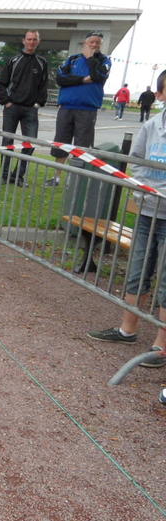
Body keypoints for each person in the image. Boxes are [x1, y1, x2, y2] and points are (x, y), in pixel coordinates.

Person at [86, 69, 166, 370]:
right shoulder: (151, 126)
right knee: (138, 270)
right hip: (148, 210)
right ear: (159, 95)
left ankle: (161, 347)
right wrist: (153, 191)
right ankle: (127, 329)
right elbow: (137, 163)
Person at [46, 32, 111, 186]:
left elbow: (98, 76)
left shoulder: (104, 60)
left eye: (97, 43)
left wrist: (90, 59)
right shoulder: (72, 59)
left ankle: (74, 180)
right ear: (85, 43)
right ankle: (56, 177)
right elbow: (61, 79)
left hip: (87, 109)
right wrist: (83, 79)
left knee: (81, 145)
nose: (94, 45)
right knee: (61, 142)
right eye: (91, 42)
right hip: (66, 107)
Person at [0, 30, 48, 187]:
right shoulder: (13, 60)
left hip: (30, 110)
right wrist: (6, 101)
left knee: (30, 143)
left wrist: (38, 103)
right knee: (8, 142)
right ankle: (5, 176)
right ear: (24, 41)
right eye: (29, 39)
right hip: (12, 107)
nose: (31, 42)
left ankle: (18, 176)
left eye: (34, 40)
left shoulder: (42, 62)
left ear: (38, 42)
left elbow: (43, 86)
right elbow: (2, 83)